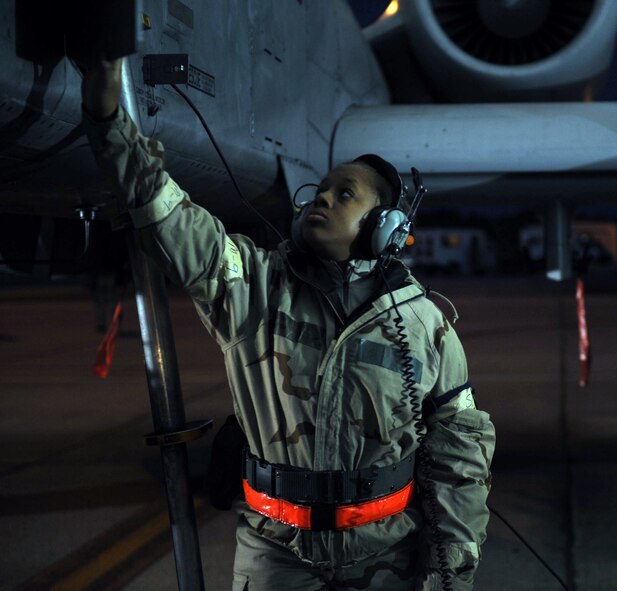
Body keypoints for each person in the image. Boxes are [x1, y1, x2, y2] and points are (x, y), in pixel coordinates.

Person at [81, 59, 495, 590]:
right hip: (275, 556)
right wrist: (107, 115)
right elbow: (166, 211)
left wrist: (451, 566)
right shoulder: (251, 285)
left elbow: (460, 448)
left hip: (387, 559)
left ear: (384, 228)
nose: (322, 196)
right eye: (321, 189)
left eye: (345, 193)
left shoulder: (425, 325)